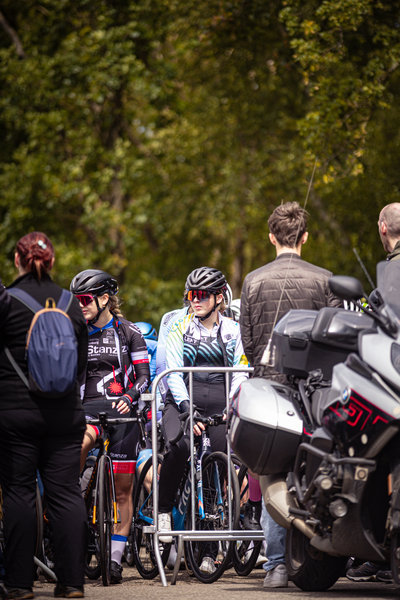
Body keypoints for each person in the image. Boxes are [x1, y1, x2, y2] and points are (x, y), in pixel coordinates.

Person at [240, 201, 342, 588]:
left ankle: (276, 566)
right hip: (314, 391)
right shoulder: (325, 279)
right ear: (305, 238)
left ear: (271, 237)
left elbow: (248, 341)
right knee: (314, 473)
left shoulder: (252, 280)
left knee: (271, 473)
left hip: (269, 388)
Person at [0, 232, 88, 600]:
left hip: (16, 412)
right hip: (66, 414)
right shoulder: (70, 304)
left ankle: (19, 584)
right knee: (66, 494)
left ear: (18, 262)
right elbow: (80, 363)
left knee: (19, 492)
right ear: (51, 263)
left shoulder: (7, 301)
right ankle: (72, 583)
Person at [157, 267, 248, 575]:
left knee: (216, 461)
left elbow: (240, 370)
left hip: (219, 404)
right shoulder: (178, 327)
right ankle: (163, 509)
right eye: (191, 295)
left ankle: (208, 549)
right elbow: (173, 371)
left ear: (219, 298)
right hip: (181, 400)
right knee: (182, 448)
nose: (194, 301)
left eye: (202, 295)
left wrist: (231, 406)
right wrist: (185, 408)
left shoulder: (234, 330)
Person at [70, 269, 150, 585]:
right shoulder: (75, 332)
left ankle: (115, 561)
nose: (80, 306)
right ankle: (69, 495)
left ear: (104, 299)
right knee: (78, 445)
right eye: (76, 300)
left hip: (123, 416)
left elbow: (144, 377)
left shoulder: (129, 333)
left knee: (123, 491)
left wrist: (131, 397)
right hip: (88, 413)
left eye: (86, 300)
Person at [345, 203, 400, 584]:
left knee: (378, 457)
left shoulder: (391, 276)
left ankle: (382, 552)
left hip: (393, 382)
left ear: (382, 228)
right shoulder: (388, 276)